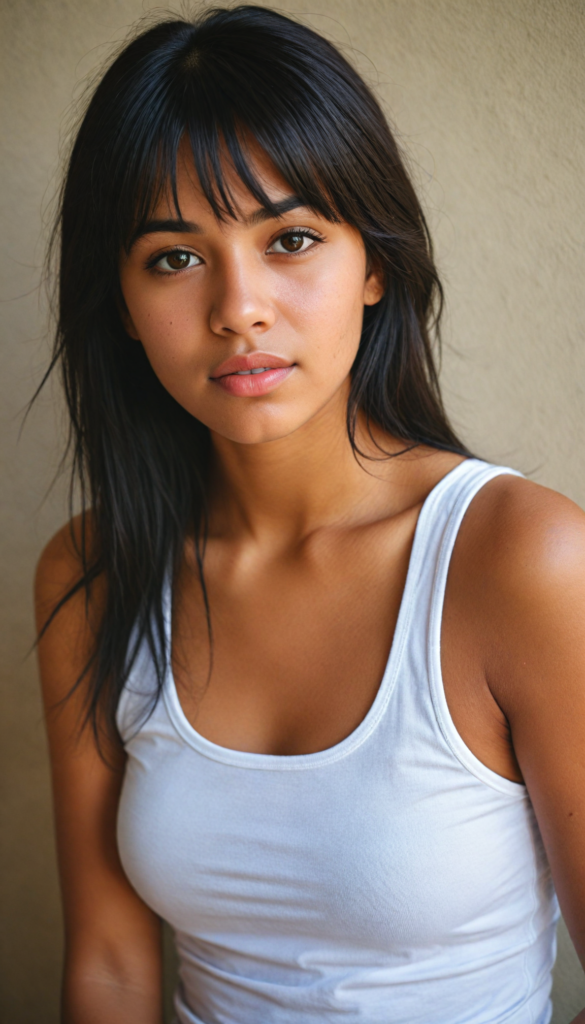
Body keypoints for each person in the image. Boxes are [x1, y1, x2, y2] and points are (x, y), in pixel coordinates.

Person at [35, 6, 585, 1023]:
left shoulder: (522, 557)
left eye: (290, 238)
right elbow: (110, 962)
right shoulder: (92, 574)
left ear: (374, 263)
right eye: (173, 256)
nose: (239, 305)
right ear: (118, 299)